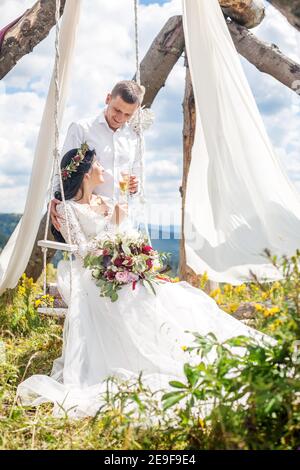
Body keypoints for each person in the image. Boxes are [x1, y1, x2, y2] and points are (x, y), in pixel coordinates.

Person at [16, 145, 274, 421]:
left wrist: (130, 250)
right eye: (99, 164)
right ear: (87, 171)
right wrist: (113, 229)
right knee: (134, 297)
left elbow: (121, 234)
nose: (103, 169)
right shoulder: (67, 209)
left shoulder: (104, 202)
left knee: (169, 294)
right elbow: (81, 250)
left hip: (118, 267)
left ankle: (183, 347)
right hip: (90, 274)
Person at [50, 80, 145, 233]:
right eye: (117, 110)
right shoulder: (82, 128)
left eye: (128, 114)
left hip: (122, 220)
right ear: (108, 98)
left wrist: (136, 186)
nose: (120, 118)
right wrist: (55, 199)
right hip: (88, 219)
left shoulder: (135, 138)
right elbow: (63, 169)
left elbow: (137, 178)